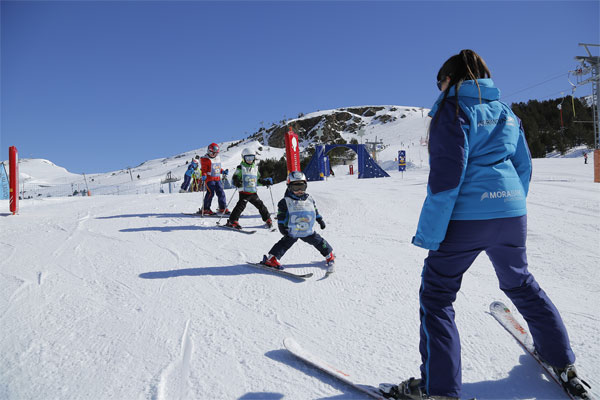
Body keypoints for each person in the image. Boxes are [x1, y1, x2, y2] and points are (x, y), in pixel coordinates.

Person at [381, 50, 589, 400]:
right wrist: (507, 204)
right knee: (520, 282)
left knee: (437, 295)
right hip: (510, 213)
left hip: (467, 218)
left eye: (439, 81)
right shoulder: (507, 112)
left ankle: (440, 389)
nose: (438, 88)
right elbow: (523, 166)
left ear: (451, 79)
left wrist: (431, 232)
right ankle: (562, 362)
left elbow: (447, 178)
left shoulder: (454, 110)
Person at [261, 171, 334, 271]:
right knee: (283, 244)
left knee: (319, 242)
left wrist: (320, 220)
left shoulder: (310, 199)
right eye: (296, 187)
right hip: (292, 231)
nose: (299, 190)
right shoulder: (285, 202)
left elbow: (314, 211)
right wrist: (282, 227)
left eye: (302, 187)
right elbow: (281, 216)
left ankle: (329, 254)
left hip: (308, 230)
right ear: (289, 187)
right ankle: (271, 259)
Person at [225, 148, 274, 230]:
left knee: (261, 206)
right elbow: (234, 178)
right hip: (244, 192)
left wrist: (265, 182)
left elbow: (257, 181)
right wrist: (237, 182)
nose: (250, 160)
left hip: (253, 192)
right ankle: (232, 221)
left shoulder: (255, 168)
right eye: (247, 158)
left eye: (251, 158)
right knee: (240, 206)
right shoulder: (240, 168)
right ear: (243, 158)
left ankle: (267, 219)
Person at [199, 143, 230, 215]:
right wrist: (203, 175)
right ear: (209, 151)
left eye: (215, 153)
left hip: (217, 178)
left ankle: (222, 207)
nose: (214, 155)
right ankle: (205, 208)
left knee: (221, 192)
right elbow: (204, 170)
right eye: (212, 153)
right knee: (210, 193)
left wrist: (223, 171)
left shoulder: (217, 158)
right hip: (209, 179)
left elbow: (217, 168)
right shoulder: (205, 159)